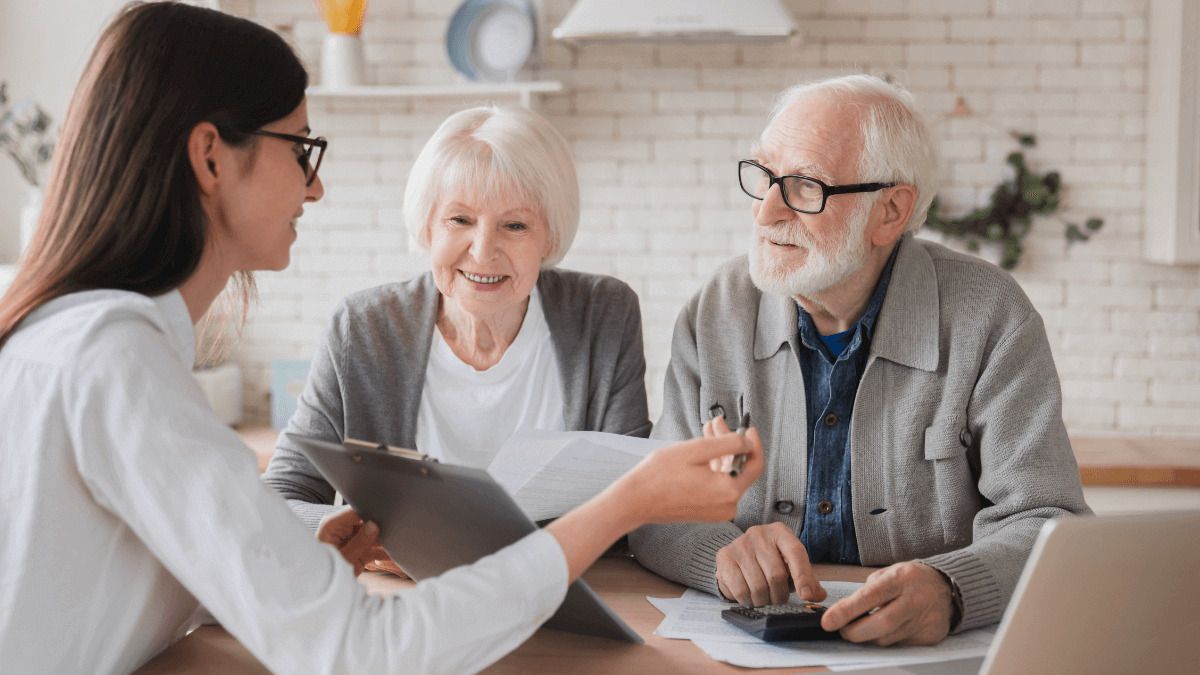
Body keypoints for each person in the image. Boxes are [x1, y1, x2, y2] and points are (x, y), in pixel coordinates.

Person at [0, 4, 763, 673]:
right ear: (209, 157)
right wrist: (628, 498)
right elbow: (363, 651)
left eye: (515, 225)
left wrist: (294, 558)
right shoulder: (117, 361)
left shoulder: (71, 337)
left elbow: (132, 583)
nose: (316, 185)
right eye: (302, 148)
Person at [628, 74, 1091, 647]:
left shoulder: (991, 317)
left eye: (804, 187)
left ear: (890, 211)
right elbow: (650, 505)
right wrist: (719, 553)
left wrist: (951, 589)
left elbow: (1049, 520)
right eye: (764, 177)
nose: (766, 212)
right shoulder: (715, 310)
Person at [263, 105, 650, 575]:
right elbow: (285, 493)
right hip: (406, 601)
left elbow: (634, 500)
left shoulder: (604, 314)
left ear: (550, 236)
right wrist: (362, 535)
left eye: (515, 225)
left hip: (555, 597)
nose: (483, 251)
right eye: (460, 220)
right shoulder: (362, 328)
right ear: (427, 226)